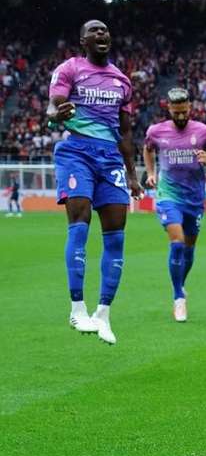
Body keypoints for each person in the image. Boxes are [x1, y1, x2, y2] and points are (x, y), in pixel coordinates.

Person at [48, 20, 142, 344]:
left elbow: (126, 132)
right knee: (81, 219)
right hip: (76, 152)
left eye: (105, 30)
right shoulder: (70, 68)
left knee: (116, 237)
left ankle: (103, 314)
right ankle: (77, 309)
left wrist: (132, 174)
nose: (101, 34)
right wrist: (54, 116)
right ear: (82, 39)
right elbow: (53, 106)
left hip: (111, 159)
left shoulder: (122, 81)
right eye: (94, 31)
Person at [143, 88, 206, 322]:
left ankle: (181, 283)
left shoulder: (204, 131)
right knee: (176, 244)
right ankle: (179, 298)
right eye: (176, 112)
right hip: (168, 195)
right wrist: (150, 172)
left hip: (195, 199)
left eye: (184, 112)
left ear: (190, 108)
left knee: (188, 249)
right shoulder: (156, 131)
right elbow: (147, 150)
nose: (180, 116)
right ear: (169, 108)